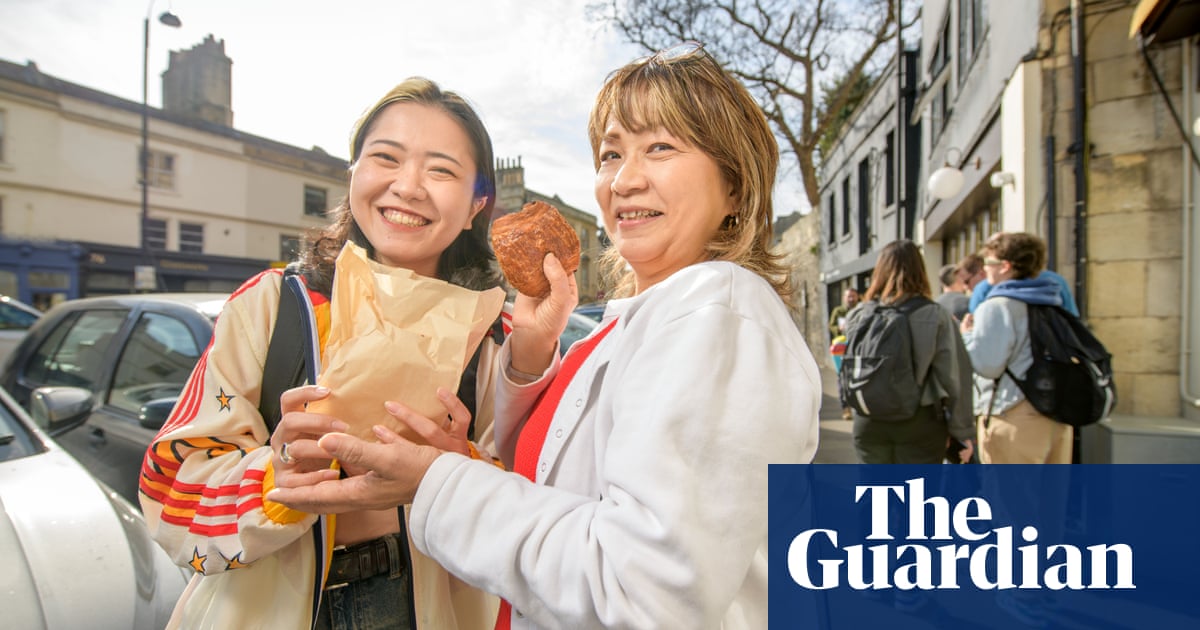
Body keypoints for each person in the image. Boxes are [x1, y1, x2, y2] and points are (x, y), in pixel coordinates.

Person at [269, 41, 821, 629]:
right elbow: (559, 478)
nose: (623, 180)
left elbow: (643, 595)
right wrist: (526, 359)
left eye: (660, 147)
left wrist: (438, 481)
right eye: (611, 155)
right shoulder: (637, 320)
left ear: (734, 186)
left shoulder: (716, 315)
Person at [138, 78, 505, 629]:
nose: (408, 186)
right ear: (353, 174)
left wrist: (457, 472)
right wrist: (276, 476)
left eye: (441, 170)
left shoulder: (487, 338)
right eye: (386, 158)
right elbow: (168, 496)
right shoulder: (269, 307)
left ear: (477, 204)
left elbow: (530, 507)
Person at [844, 240, 975, 464]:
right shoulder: (936, 315)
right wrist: (961, 431)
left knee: (877, 496)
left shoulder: (858, 314)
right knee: (915, 496)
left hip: (868, 420)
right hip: (919, 421)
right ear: (920, 269)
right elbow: (955, 377)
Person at [960, 232, 1073, 463]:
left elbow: (987, 365)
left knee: (1009, 498)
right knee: (1050, 498)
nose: (984, 270)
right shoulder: (1052, 302)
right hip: (1057, 415)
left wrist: (967, 336)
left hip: (1013, 414)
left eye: (988, 263)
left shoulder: (997, 306)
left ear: (1005, 266)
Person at [829, 287, 859, 419]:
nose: (851, 299)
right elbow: (831, 325)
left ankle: (857, 407)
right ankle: (846, 408)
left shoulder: (860, 311)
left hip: (856, 348)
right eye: (849, 296)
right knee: (842, 378)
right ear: (844, 298)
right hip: (840, 349)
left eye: (853, 296)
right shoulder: (838, 311)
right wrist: (838, 329)